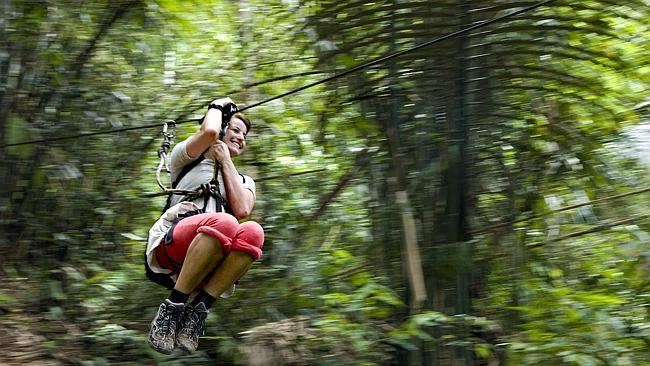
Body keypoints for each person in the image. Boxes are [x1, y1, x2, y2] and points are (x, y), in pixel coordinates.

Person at [145, 97, 264, 354]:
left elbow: (243, 208)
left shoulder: (245, 181)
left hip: (212, 254)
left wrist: (226, 161)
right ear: (221, 128)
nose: (241, 138)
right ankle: (172, 308)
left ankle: (197, 312)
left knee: (253, 231)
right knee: (225, 222)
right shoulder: (185, 159)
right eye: (235, 130)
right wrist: (218, 105)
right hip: (174, 241)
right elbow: (208, 132)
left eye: (245, 135)